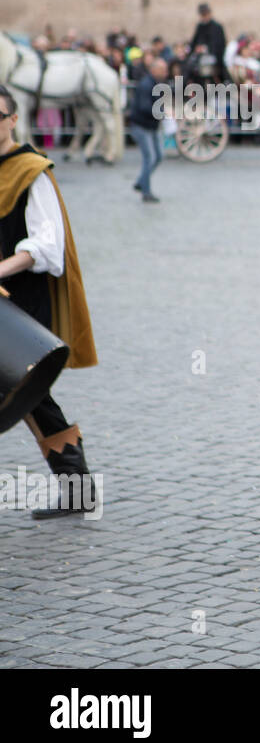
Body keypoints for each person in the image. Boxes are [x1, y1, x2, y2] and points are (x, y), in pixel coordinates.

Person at [0, 83, 99, 518]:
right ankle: (78, 487)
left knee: (28, 391)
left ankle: (78, 487)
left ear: (13, 119)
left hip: (22, 302)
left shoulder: (31, 171)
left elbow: (46, 245)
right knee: (27, 396)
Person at [127, 56, 165, 203]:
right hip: (141, 126)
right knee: (149, 158)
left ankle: (141, 181)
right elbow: (144, 107)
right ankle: (146, 192)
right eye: (162, 69)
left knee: (159, 156)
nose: (165, 72)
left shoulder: (155, 83)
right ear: (154, 70)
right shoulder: (146, 85)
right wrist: (162, 112)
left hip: (151, 125)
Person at [189, 3, 228, 83]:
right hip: (200, 60)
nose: (204, 17)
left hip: (215, 60)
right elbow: (194, 43)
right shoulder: (200, 26)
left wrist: (207, 49)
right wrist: (197, 49)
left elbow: (220, 45)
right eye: (202, 15)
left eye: (205, 14)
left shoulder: (217, 27)